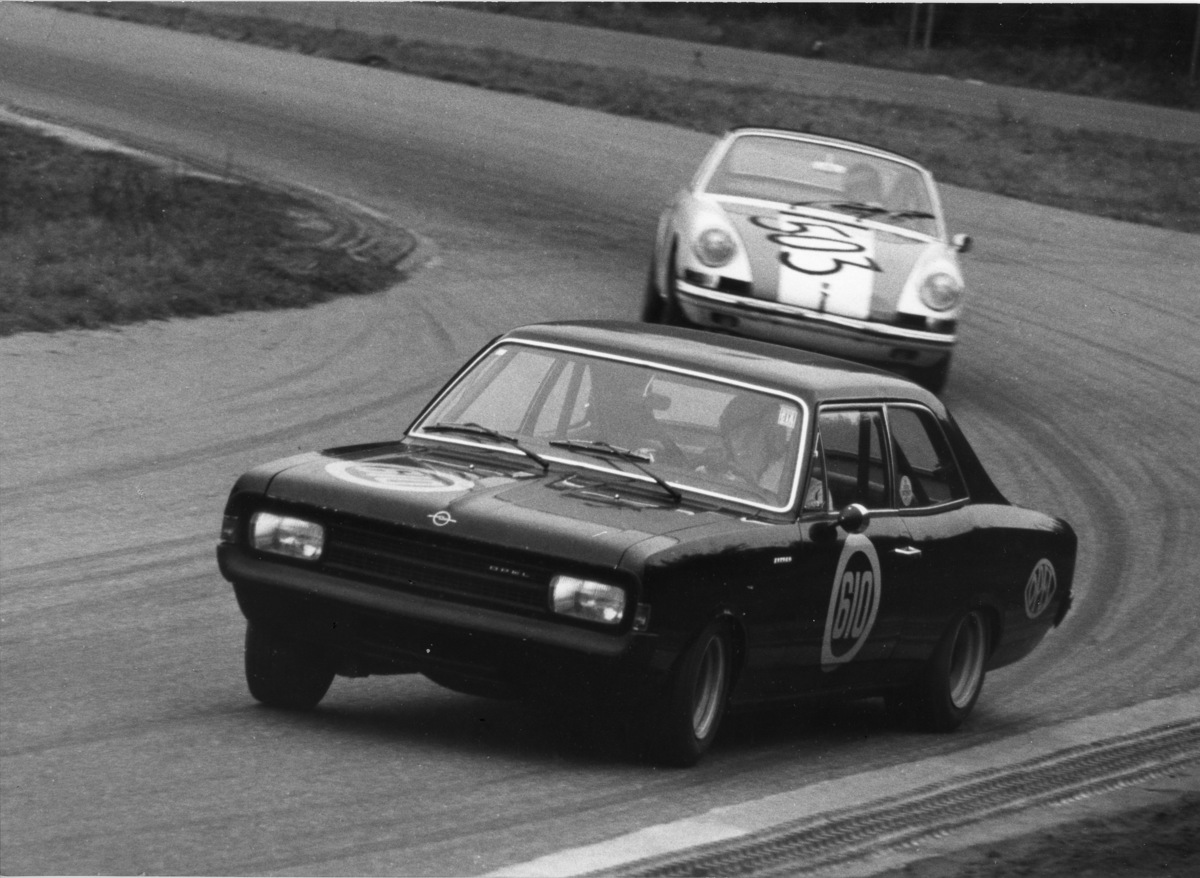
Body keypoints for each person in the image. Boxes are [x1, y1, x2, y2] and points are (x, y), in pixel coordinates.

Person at [704, 393, 791, 497]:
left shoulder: (791, 479)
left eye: (751, 434)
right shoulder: (710, 469)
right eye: (736, 434)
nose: (742, 444)